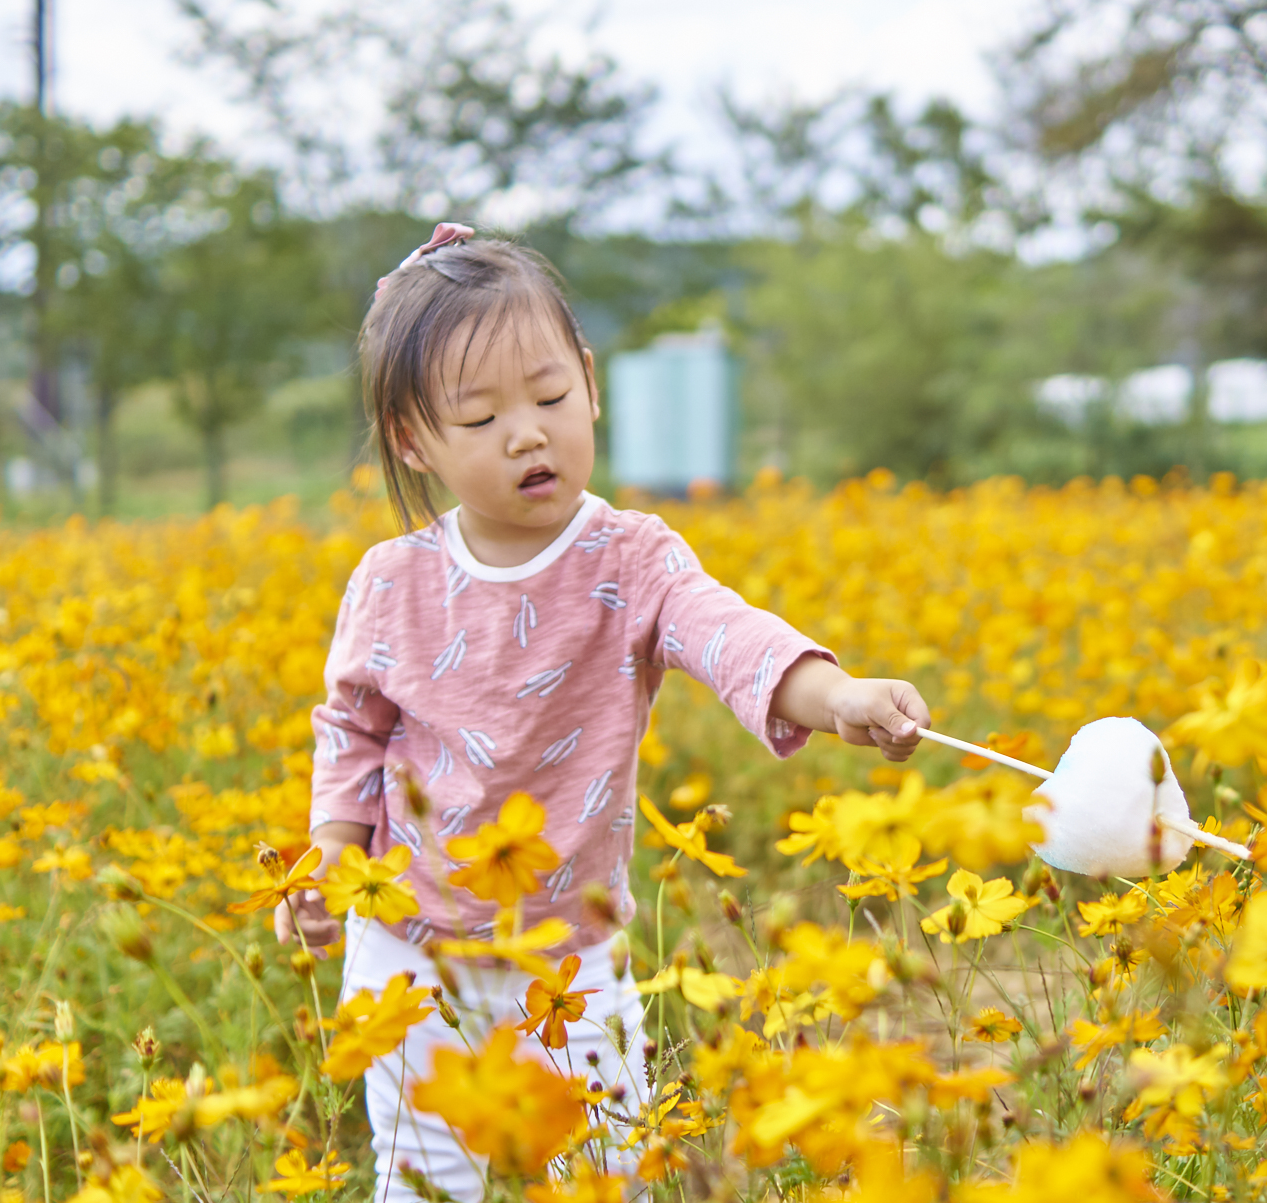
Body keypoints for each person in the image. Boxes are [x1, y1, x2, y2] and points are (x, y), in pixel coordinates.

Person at [273, 222, 927, 1203]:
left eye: (548, 397)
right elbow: (352, 733)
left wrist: (835, 695)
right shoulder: (391, 581)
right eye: (481, 417)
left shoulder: (633, 558)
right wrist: (329, 853)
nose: (527, 433)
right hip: (407, 947)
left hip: (569, 956)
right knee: (424, 1175)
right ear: (413, 440)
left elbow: (727, 635)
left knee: (605, 1171)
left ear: (590, 382)